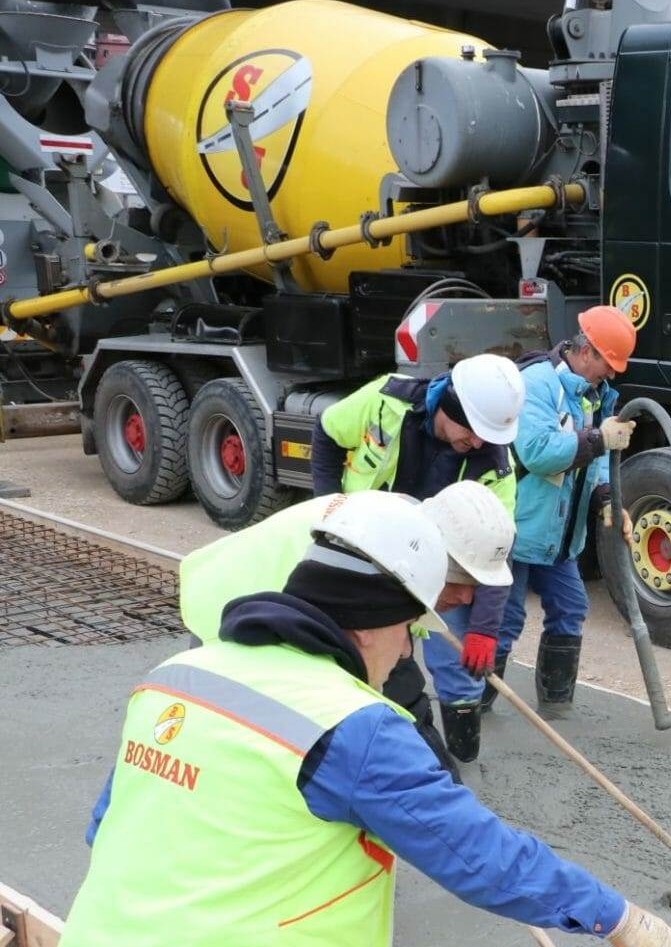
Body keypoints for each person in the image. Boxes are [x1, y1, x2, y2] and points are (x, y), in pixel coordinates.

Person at [36, 493, 671, 947]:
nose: (412, 651)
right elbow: (484, 858)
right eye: (412, 632)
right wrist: (619, 917)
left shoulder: (183, 677)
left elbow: (109, 825)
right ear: (379, 623)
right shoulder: (351, 728)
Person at [176, 483, 516, 772]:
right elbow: (402, 695)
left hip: (264, 605)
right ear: (436, 558)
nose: (468, 597)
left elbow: (396, 663)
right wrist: (447, 796)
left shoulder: (402, 532)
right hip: (224, 614)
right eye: (463, 581)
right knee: (255, 749)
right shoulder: (373, 557)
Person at [312, 353, 525, 759]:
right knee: (347, 671)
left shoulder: (494, 465)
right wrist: (327, 507)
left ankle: (444, 762)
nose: (478, 443)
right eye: (473, 429)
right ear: (449, 405)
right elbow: (326, 432)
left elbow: (496, 551)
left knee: (402, 674)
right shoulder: (386, 401)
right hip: (352, 558)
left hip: (412, 576)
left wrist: (483, 628)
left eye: (487, 436)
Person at [500, 306, 638, 720]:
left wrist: (606, 499)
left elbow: (593, 464)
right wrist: (599, 438)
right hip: (520, 529)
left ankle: (556, 704)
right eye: (608, 364)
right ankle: (472, 704)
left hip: (560, 534)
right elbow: (539, 454)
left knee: (571, 606)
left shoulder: (591, 395)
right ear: (587, 351)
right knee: (504, 619)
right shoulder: (537, 385)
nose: (611, 375)